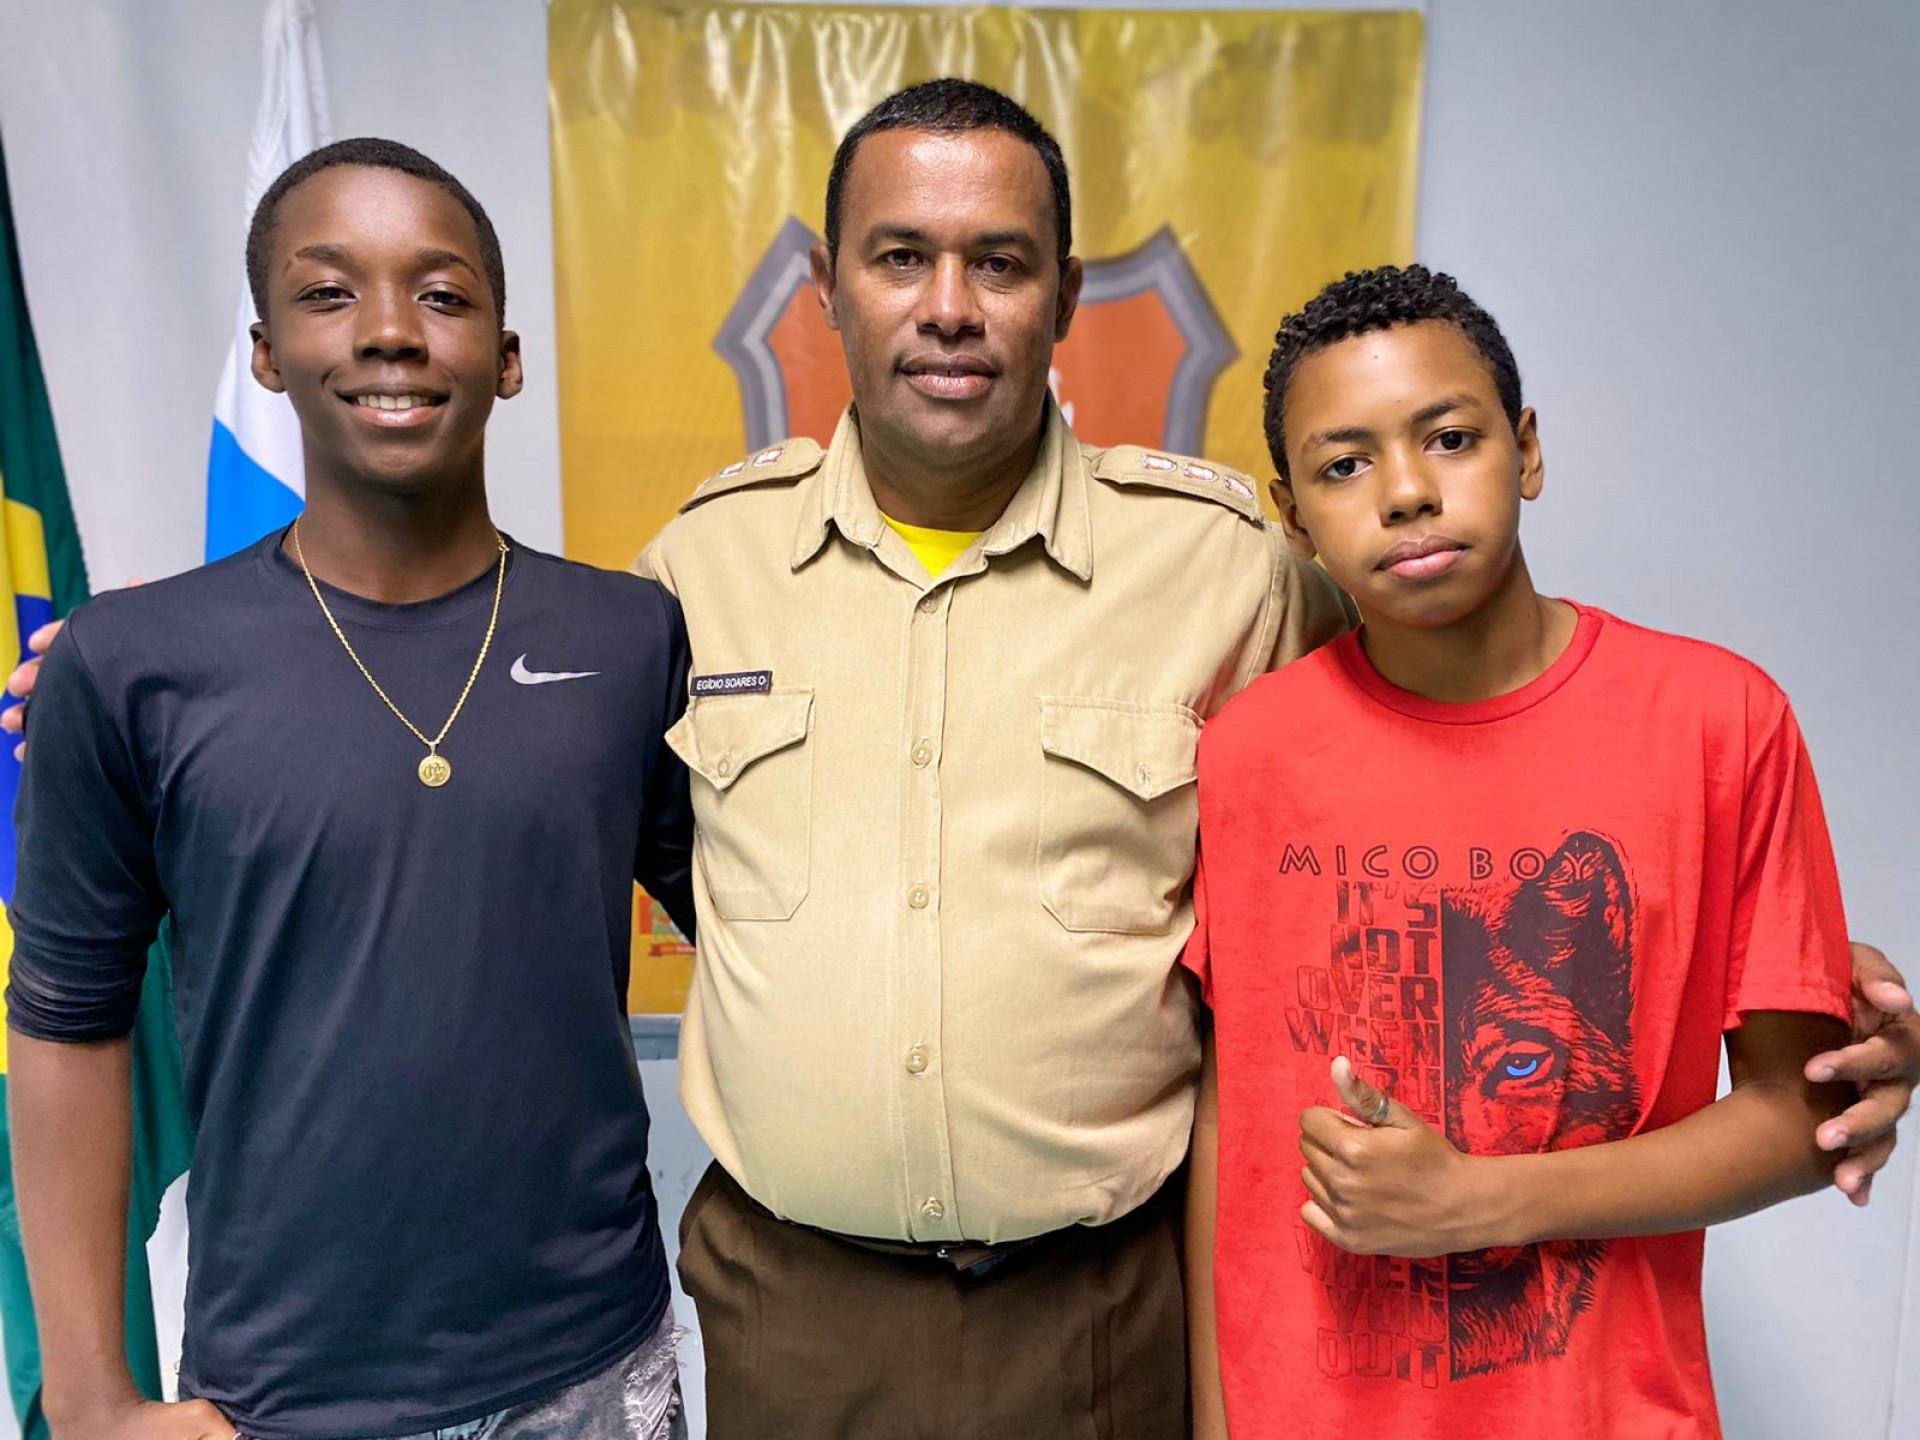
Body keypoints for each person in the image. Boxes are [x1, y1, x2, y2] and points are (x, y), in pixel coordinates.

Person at [632, 81, 1918, 1437]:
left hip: (1103, 1305)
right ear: (828, 285)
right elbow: (640, 844)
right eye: (900, 257)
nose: (949, 306)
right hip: (798, 1301)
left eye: (1000, 263)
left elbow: (1469, 727)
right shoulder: (698, 570)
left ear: (1064, 296)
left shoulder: (1228, 570)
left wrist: (1787, 963)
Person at [4, 140, 693, 1440]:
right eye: (329, 293)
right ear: (267, 353)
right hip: (285, 1393)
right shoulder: (133, 662)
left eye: (441, 294)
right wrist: (88, 1399)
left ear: (508, 356)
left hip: (595, 1363)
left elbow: (766, 917)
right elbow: (64, 1022)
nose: (388, 330)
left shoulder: (629, 636)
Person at [1182, 264, 1867, 1438]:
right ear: (1292, 518)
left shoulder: (1719, 723)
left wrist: (1483, 1201)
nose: (1407, 492)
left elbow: (1805, 1117)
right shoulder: (1251, 752)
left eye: (1450, 438)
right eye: (1344, 465)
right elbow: (1230, 1122)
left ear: (1528, 449)